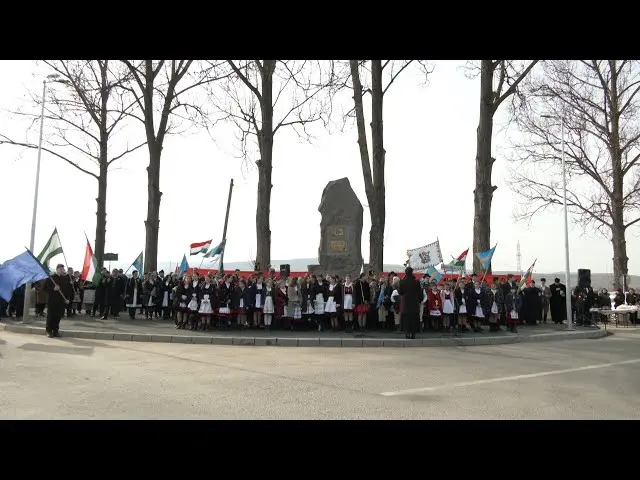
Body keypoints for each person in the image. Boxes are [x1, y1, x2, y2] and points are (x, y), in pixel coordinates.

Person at [44, 264, 73, 338]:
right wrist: (53, 289)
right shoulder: (51, 278)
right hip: (52, 300)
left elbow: (67, 290)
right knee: (51, 316)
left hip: (61, 301)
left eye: (62, 269)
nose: (61, 270)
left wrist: (67, 299)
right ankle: (49, 331)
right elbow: (45, 289)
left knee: (58, 317)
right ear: (56, 269)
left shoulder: (65, 279)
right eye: (60, 269)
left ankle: (55, 331)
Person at [398, 267, 421, 339]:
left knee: (406, 319)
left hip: (405, 302)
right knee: (413, 318)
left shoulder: (402, 281)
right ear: (412, 272)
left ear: (405, 272)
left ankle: (407, 333)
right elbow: (419, 292)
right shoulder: (416, 281)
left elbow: (400, 292)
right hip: (414, 302)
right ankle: (413, 334)